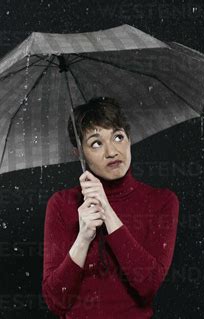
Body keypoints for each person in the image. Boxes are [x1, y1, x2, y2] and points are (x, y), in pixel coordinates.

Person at [41, 97, 180, 318]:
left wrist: (107, 211)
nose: (112, 151)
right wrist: (83, 237)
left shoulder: (162, 201)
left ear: (129, 138)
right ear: (79, 153)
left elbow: (148, 286)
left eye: (118, 136)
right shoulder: (61, 204)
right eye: (96, 143)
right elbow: (57, 301)